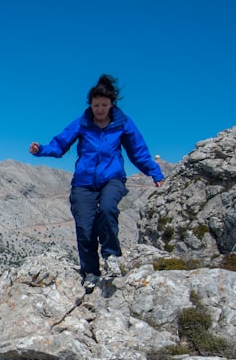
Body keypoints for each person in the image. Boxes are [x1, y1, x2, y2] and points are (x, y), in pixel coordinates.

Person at [29, 74, 164, 291]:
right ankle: (90, 271)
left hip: (113, 178)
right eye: (95, 105)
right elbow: (60, 144)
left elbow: (137, 152)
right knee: (85, 227)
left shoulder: (123, 124)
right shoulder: (82, 123)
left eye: (104, 104)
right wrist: (41, 150)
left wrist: (155, 173)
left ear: (112, 104)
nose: (99, 109)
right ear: (90, 105)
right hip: (83, 182)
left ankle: (111, 255)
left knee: (109, 208)